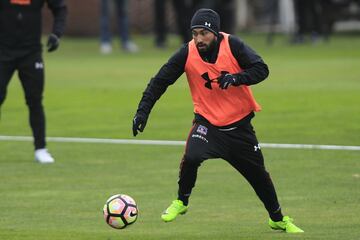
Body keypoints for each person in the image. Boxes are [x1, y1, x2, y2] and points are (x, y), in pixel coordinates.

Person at [132, 8, 304, 233]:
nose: (198, 39)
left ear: (215, 32)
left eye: (204, 33)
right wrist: (142, 112)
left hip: (239, 127)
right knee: (192, 156)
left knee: (259, 177)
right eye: (195, 33)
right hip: (207, 124)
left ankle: (277, 218)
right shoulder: (187, 53)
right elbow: (159, 82)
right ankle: (182, 201)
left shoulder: (234, 46)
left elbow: (262, 69)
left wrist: (236, 78)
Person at [0, 0, 67, 163]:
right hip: (3, 51)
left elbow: (60, 8)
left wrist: (56, 33)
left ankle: (41, 149)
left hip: (31, 53)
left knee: (35, 100)